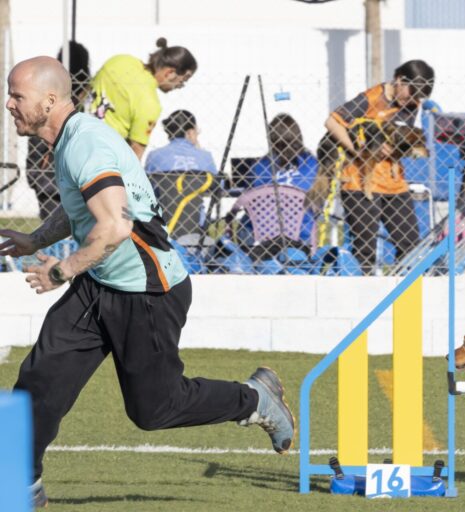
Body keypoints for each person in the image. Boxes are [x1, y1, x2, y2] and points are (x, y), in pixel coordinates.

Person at [0, 57, 293, 508]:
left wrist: (61, 270)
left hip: (148, 291)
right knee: (39, 383)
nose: (9, 104)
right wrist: (36, 239)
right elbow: (84, 208)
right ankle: (20, 489)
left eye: (17, 96)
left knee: (154, 409)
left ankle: (253, 398)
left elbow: (114, 228)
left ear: (50, 101)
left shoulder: (85, 144)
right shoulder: (66, 140)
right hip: (100, 283)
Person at [320, 60, 433, 273]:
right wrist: (359, 150)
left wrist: (400, 150)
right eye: (412, 94)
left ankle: (404, 299)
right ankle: (364, 299)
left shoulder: (412, 105)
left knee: (410, 244)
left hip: (393, 184)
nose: (413, 101)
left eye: (418, 97)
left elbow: (409, 141)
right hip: (360, 182)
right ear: (400, 80)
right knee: (365, 252)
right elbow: (332, 122)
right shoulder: (372, 97)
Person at [89, 38, 196, 161]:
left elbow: (86, 88)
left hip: (75, 137)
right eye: (183, 80)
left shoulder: (120, 60)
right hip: (102, 157)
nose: (180, 86)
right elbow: (135, 153)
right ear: (169, 73)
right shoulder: (150, 103)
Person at [26, 40, 90, 220]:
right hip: (69, 175)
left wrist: (33, 176)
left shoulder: (47, 89)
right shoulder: (86, 94)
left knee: (51, 227)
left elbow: (35, 141)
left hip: (47, 177)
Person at [241, 113, 319, 251]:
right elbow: (318, 203)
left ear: (271, 139)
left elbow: (248, 203)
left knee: (244, 222)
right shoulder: (312, 164)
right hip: (302, 237)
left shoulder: (259, 166)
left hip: (262, 237)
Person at [144, 109, 217, 174]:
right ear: (190, 133)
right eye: (197, 131)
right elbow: (219, 185)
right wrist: (199, 151)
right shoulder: (206, 157)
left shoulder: (154, 155)